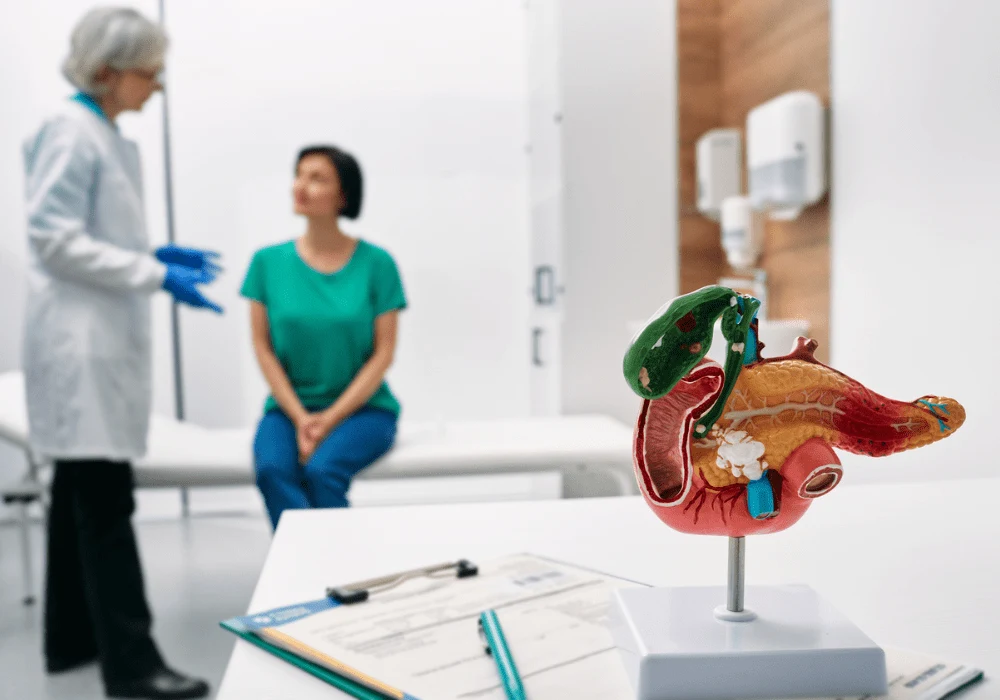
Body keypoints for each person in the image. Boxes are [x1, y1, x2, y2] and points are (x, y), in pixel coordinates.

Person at [22, 8, 221, 699]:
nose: (158, 86)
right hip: (80, 349)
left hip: (97, 341)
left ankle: (68, 643)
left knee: (80, 495)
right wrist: (153, 273)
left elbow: (89, 234)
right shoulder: (70, 132)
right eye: (150, 72)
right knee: (105, 504)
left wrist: (150, 256)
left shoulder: (104, 135)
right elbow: (52, 238)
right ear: (108, 72)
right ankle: (134, 667)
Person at [241, 145, 406, 530]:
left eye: (318, 178)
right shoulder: (266, 263)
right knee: (272, 470)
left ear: (343, 195)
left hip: (365, 410)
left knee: (321, 472)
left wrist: (329, 419)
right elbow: (263, 349)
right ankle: (308, 570)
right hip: (288, 409)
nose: (301, 186)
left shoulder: (377, 264)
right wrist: (301, 418)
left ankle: (344, 573)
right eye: (299, 175)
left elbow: (383, 355)